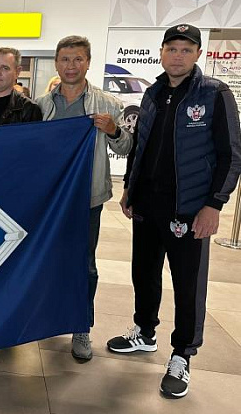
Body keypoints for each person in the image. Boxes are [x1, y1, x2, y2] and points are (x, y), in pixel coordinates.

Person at [107, 24, 241, 399]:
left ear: (198, 54)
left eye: (185, 49)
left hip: (190, 208)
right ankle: (144, 332)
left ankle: (182, 354)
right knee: (144, 273)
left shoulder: (214, 94)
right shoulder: (152, 93)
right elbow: (141, 145)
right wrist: (130, 187)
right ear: (162, 52)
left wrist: (214, 204)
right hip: (148, 203)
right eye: (172, 48)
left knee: (187, 284)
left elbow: (232, 155)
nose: (178, 55)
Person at [36, 35, 132, 362]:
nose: (71, 66)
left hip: (87, 199)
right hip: (49, 200)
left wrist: (114, 130)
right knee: (46, 261)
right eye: (65, 59)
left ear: (88, 62)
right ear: (56, 63)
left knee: (85, 265)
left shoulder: (107, 104)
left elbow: (126, 147)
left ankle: (81, 326)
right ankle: (47, 318)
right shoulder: (41, 106)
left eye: (78, 59)